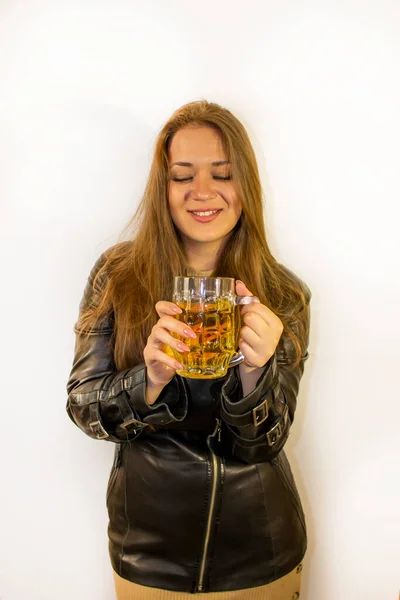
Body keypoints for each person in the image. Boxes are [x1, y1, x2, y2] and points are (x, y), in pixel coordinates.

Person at [66, 99, 311, 599]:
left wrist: (253, 373)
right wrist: (148, 380)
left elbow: (266, 442)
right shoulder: (118, 276)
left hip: (260, 552)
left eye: (222, 174)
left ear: (245, 186)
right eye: (183, 176)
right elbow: (83, 408)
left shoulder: (282, 294)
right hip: (147, 556)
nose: (203, 192)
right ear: (164, 188)